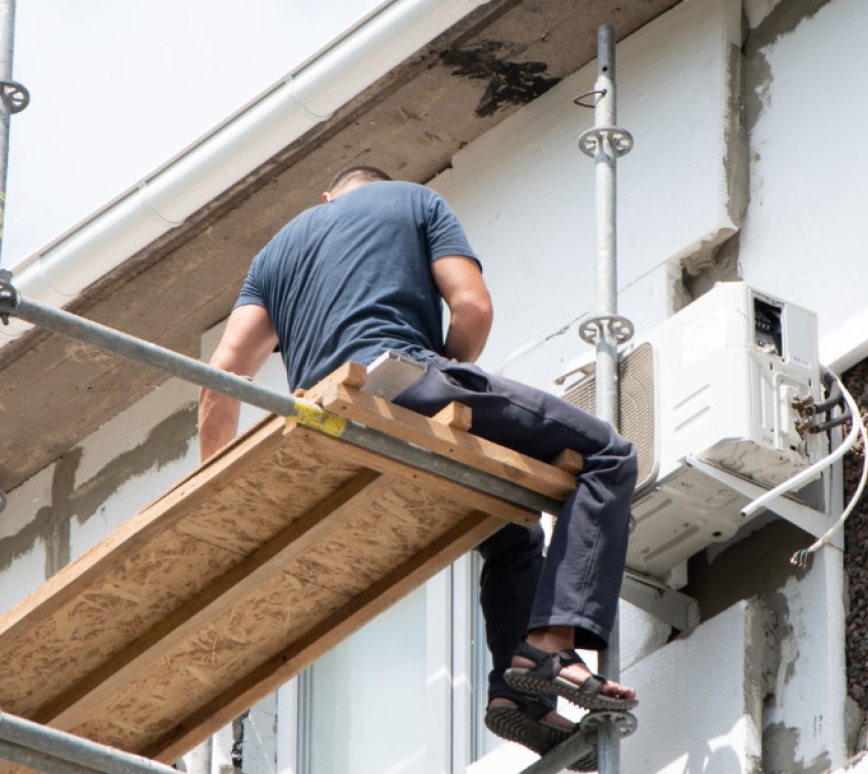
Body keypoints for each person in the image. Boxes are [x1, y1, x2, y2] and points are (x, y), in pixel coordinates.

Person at [198, 164, 638, 765]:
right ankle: (549, 644)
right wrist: (449, 375)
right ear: (377, 187)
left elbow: (219, 380)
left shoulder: (276, 254)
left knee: (514, 532)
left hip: (326, 429)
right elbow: (473, 308)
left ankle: (517, 696)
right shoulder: (414, 202)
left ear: (327, 197)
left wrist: (218, 490)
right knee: (609, 454)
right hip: (400, 382)